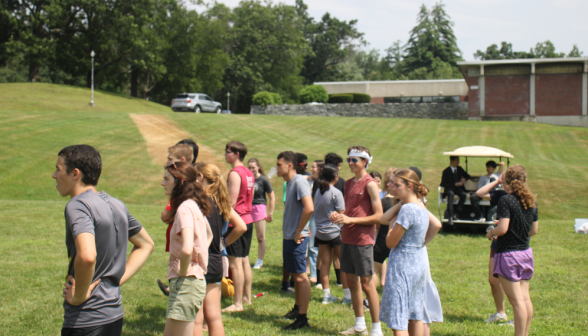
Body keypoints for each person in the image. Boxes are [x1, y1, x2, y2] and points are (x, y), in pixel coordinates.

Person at [54, 145, 155, 336]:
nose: (53, 175)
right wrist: (114, 281)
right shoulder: (116, 204)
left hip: (86, 319)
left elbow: (87, 256)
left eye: (58, 170)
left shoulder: (77, 205)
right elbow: (146, 244)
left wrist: (80, 295)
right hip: (114, 315)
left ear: (75, 173)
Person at [331, 146, 383, 336]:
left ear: (365, 162)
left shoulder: (370, 184)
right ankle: (359, 324)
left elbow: (379, 216)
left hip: (363, 240)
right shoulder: (348, 183)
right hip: (347, 238)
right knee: (352, 283)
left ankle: (376, 329)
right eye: (349, 160)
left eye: (355, 160)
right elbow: (349, 210)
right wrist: (339, 215)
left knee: (367, 285)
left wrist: (351, 220)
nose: (351, 163)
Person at [379, 169, 436, 336]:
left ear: (409, 186)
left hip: (402, 265)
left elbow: (390, 242)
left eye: (397, 185)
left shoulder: (407, 210)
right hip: (417, 262)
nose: (393, 187)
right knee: (414, 313)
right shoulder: (420, 206)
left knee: (399, 317)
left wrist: (392, 225)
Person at [193, 163, 247, 336]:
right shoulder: (221, 202)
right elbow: (241, 226)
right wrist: (223, 243)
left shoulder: (198, 203)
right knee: (215, 317)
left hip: (199, 262)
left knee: (197, 318)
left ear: (201, 178)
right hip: (216, 261)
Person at [486, 165, 538, 336]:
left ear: (506, 182)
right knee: (525, 299)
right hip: (526, 253)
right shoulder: (531, 201)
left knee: (517, 303)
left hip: (508, 255)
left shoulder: (506, 200)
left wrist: (491, 232)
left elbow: (502, 229)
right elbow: (533, 230)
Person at [161, 161, 212, 336]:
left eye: (166, 179)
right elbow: (210, 234)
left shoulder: (184, 208)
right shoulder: (192, 205)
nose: (162, 183)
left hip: (186, 282)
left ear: (180, 182)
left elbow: (187, 249)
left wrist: (183, 272)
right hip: (188, 282)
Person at [276, 151, 314, 330]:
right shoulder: (290, 183)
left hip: (297, 237)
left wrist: (299, 231)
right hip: (291, 235)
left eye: (279, 164)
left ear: (289, 165)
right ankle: (297, 309)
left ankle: (303, 318)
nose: (276, 168)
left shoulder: (299, 182)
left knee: (300, 277)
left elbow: (309, 208)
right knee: (296, 275)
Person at [159, 141, 197, 296]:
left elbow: (166, 216)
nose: (168, 162)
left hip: (182, 250)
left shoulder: (183, 201)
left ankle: (175, 289)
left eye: (170, 159)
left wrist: (181, 274)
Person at [223, 141, 255, 312]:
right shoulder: (249, 172)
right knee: (244, 261)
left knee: (235, 264)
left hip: (237, 222)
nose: (225, 155)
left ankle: (237, 303)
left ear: (236, 154)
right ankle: (247, 298)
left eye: (227, 152)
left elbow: (231, 202)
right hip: (248, 220)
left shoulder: (235, 173)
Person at [476, 168, 511, 324]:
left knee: (512, 283)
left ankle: (519, 316)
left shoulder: (520, 197)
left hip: (512, 244)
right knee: (493, 279)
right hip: (497, 242)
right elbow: (480, 193)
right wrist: (496, 181)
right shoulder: (501, 194)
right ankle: (500, 312)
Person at [313, 164, 345, 304]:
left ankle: (326, 295)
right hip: (334, 233)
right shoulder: (336, 192)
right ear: (336, 177)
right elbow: (342, 214)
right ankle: (348, 296)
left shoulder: (318, 191)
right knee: (343, 263)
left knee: (325, 263)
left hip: (320, 233)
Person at [247, 158, 275, 270]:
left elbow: (272, 197)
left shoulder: (263, 180)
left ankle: (260, 260)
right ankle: (244, 257)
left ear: (258, 167)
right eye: (249, 167)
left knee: (260, 236)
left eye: (253, 167)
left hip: (259, 207)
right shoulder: (247, 179)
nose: (251, 169)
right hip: (248, 208)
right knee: (245, 235)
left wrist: (271, 213)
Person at [373, 167, 397, 288]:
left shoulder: (383, 201)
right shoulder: (403, 203)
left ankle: (368, 298)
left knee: (373, 271)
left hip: (382, 237)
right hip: (397, 240)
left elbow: (378, 222)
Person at [440, 156, 471, 225]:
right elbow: (443, 184)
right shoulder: (446, 171)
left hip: (457, 189)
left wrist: (464, 179)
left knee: (463, 194)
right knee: (451, 194)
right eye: (457, 160)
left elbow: (468, 176)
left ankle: (457, 212)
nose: (458, 162)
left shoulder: (459, 169)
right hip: (449, 188)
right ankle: (450, 215)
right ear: (452, 161)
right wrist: (455, 184)